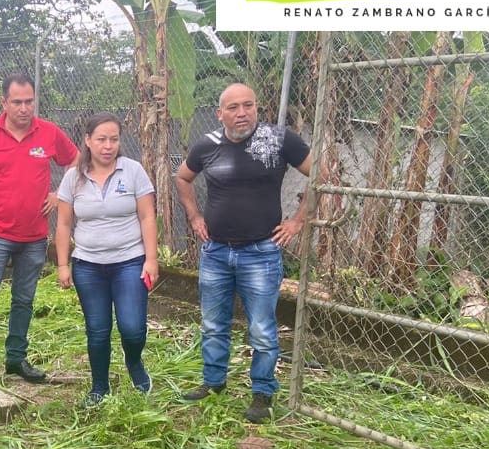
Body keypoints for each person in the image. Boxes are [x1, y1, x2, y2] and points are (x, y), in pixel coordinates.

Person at [175, 83, 314, 423]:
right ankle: (213, 383)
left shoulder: (279, 140)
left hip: (261, 253)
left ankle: (262, 393)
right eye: (233, 107)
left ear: (256, 107)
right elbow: (182, 178)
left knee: (262, 330)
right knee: (213, 324)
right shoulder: (207, 145)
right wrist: (194, 217)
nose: (242, 113)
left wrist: (298, 221)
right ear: (219, 113)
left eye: (248, 105)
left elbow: (320, 175)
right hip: (215, 252)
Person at [0, 73, 79, 391]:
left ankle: (16, 359)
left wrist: (59, 193)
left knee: (24, 300)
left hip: (34, 237)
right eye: (17, 102)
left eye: (29, 101)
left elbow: (76, 160)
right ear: (4, 102)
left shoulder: (48, 132)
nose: (24, 108)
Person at [54, 112, 158, 406]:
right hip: (88, 266)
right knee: (98, 331)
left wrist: (151, 259)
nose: (108, 146)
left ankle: (134, 361)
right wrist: (63, 265)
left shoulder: (133, 170)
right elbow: (63, 224)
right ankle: (99, 386)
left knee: (132, 328)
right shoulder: (73, 177)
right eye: (101, 139)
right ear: (88, 141)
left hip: (130, 261)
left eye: (114, 139)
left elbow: (147, 216)